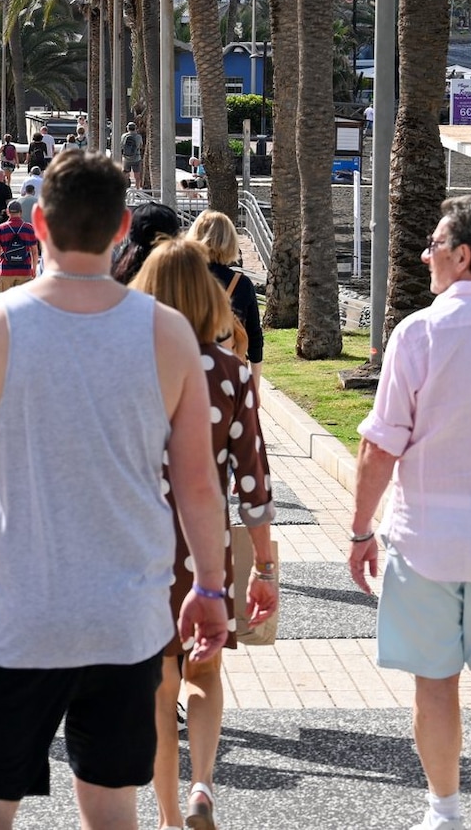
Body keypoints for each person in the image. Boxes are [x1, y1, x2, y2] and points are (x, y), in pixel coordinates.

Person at [0, 150, 232, 828]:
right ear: (122, 226)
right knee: (112, 802)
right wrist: (209, 586)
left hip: (20, 618)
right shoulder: (167, 333)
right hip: (128, 620)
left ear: (38, 223)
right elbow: (199, 485)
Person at [351, 199, 471, 830]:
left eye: (432, 245)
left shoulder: (419, 332)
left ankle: (444, 810)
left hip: (426, 538)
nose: (424, 255)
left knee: (434, 676)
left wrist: (360, 529)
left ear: (463, 256)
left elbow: (380, 446)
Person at [130, 239, 280, 830]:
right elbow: (254, 480)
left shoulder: (128, 370)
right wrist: (264, 564)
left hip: (140, 544)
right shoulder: (232, 375)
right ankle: (202, 785)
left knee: (159, 686)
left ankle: (168, 817)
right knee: (205, 671)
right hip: (205, 544)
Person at [188, 211, 264, 380]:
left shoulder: (183, 280)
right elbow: (254, 337)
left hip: (190, 374)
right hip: (231, 376)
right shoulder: (242, 284)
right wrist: (255, 385)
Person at [0, 199, 41, 292]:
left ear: (7, 212)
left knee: (4, 303)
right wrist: (33, 269)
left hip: (6, 271)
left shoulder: (0, 229)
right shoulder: (29, 228)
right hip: (25, 271)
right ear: (21, 212)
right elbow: (35, 252)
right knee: (22, 304)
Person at [120, 121, 144, 189]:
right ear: (135, 128)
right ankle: (137, 189)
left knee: (126, 174)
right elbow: (141, 146)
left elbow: (121, 146)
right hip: (136, 158)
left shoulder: (124, 136)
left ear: (127, 128)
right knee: (137, 175)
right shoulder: (138, 137)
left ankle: (125, 188)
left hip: (126, 158)